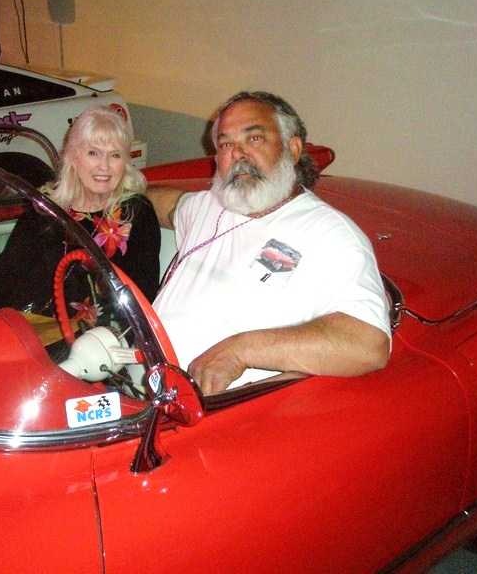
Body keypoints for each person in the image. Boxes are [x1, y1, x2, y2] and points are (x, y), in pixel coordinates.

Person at [149, 91, 391, 394]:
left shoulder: (330, 235)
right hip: (138, 384)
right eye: (226, 144)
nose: (238, 154)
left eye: (254, 139)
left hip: (212, 416)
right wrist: (109, 191)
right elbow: (165, 205)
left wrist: (241, 351)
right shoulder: (212, 205)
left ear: (292, 149)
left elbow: (367, 344)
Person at [0, 105, 161, 313]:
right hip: (28, 326)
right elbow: (2, 276)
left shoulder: (136, 214)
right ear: (73, 157)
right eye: (93, 153)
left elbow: (142, 295)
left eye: (115, 155)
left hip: (96, 337)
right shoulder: (46, 209)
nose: (104, 166)